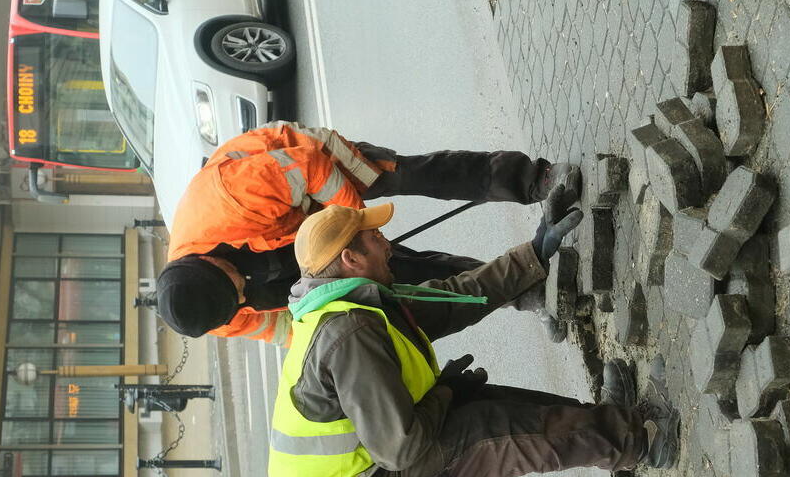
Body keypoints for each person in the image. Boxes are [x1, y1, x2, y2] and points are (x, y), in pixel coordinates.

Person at [267, 201, 681, 477]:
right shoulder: (348, 332)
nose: (387, 244)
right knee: (483, 432)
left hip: (365, 473)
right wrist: (445, 392)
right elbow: (401, 449)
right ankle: (643, 440)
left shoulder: (353, 302)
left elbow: (454, 298)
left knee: (475, 402)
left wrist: (533, 254)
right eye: (375, 237)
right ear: (351, 259)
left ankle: (614, 423)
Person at [155, 121, 580, 344]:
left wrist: (359, 228)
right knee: (405, 280)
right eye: (238, 299)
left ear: (206, 260)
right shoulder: (216, 312)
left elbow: (306, 167)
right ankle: (522, 291)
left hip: (309, 167)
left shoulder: (225, 201)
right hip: (298, 255)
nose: (242, 291)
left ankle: (532, 179)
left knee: (411, 175)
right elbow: (285, 327)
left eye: (233, 283)